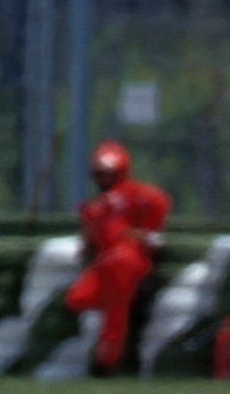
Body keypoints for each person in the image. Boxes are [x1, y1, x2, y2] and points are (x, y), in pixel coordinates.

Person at [65, 141, 171, 375]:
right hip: (104, 265)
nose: (104, 179)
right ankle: (110, 342)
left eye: (109, 174)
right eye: (99, 175)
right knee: (77, 298)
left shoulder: (142, 195)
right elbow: (90, 243)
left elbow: (154, 232)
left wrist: (136, 235)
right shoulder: (96, 207)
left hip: (129, 262)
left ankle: (110, 353)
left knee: (118, 276)